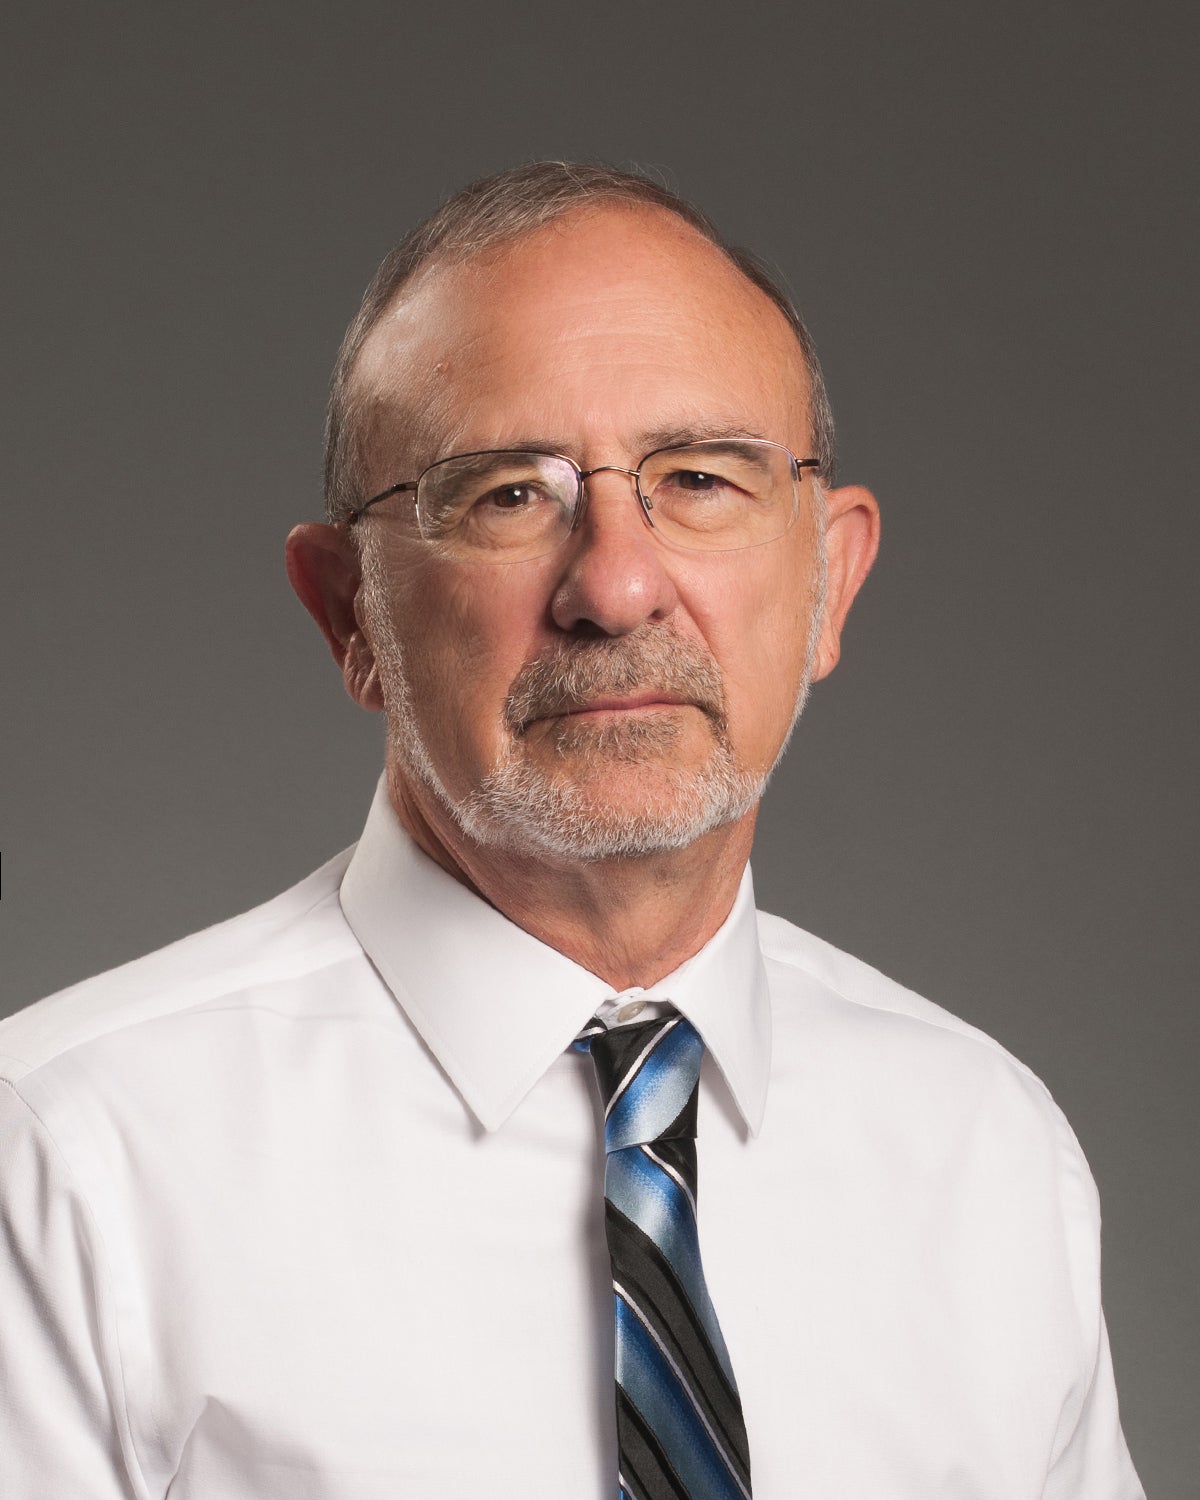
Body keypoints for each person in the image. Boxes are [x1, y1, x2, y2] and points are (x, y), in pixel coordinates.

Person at [0, 162, 1143, 1498]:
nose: (614, 582)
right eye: (507, 495)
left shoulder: (988, 1153)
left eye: (702, 478)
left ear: (831, 579)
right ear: (350, 614)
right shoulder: (63, 1162)